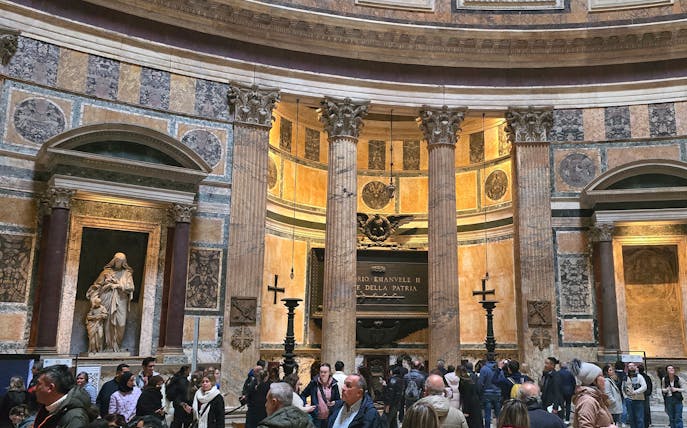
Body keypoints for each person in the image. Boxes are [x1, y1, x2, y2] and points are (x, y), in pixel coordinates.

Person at [85, 252, 135, 352]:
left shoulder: (127, 273)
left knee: (120, 324)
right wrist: (95, 295)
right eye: (116, 261)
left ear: (124, 262)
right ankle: (105, 347)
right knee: (106, 322)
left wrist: (118, 285)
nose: (118, 263)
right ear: (113, 261)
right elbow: (97, 286)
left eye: (120, 261)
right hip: (106, 298)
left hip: (121, 300)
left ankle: (116, 346)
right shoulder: (106, 272)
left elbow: (131, 287)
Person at [570, 359, 616, 428]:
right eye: (601, 376)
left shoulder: (595, 397)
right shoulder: (587, 402)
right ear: (593, 380)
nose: (604, 379)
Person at [301, 363, 339, 428]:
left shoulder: (334, 385)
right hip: (316, 417)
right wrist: (305, 404)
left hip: (329, 417)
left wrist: (335, 402)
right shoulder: (314, 383)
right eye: (321, 372)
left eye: (325, 372)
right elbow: (303, 395)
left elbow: (338, 400)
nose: (323, 374)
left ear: (329, 373)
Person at [478, 358, 501, 428]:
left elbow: (480, 383)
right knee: (499, 415)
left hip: (486, 394)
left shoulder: (484, 369)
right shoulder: (498, 369)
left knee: (487, 414)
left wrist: (479, 392)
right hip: (497, 393)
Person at [623, 362, 647, 428]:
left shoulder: (639, 376)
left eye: (632, 366)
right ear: (627, 368)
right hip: (629, 399)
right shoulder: (625, 377)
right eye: (629, 366)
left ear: (635, 367)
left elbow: (644, 386)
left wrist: (635, 392)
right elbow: (623, 387)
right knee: (631, 418)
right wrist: (625, 397)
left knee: (639, 418)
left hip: (638, 399)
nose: (631, 367)